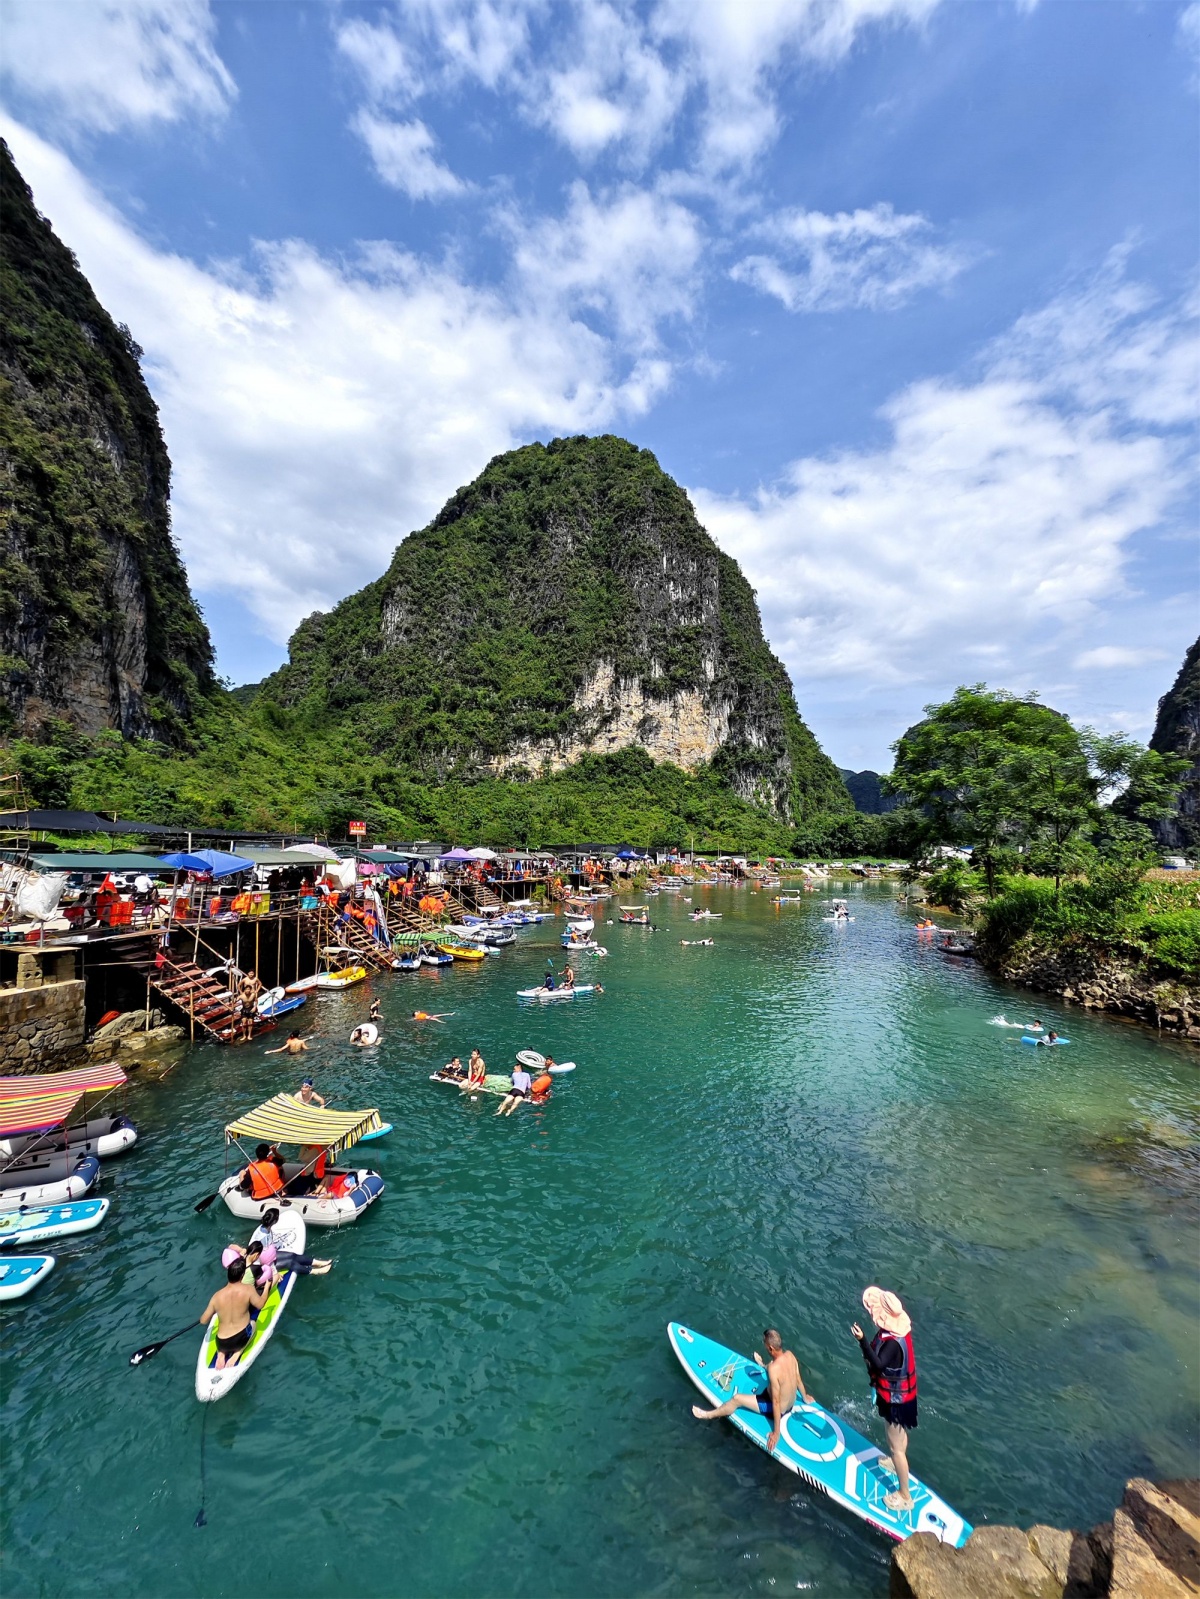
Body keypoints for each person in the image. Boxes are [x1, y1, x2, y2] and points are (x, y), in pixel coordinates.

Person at [691, 1328, 812, 1453]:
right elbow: (798, 1380)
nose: (764, 1347)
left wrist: (776, 1433)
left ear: (770, 1348)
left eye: (765, 1344)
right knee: (772, 1368)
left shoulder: (774, 1369)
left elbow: (775, 1402)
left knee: (736, 1399)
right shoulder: (790, 1355)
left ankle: (707, 1415)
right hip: (790, 1405)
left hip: (776, 1409)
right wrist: (805, 1397)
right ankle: (761, 1364)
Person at [852, 1286, 918, 1512]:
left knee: (895, 1446)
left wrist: (861, 1340)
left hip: (896, 1401)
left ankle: (905, 1495)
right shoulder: (898, 1334)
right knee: (899, 1440)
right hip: (904, 1396)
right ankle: (896, 1461)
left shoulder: (891, 1343)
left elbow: (879, 1365)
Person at [198, 1257, 269, 1369]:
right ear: (242, 1276)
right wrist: (267, 1287)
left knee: (222, 1337)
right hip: (240, 1339)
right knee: (253, 1324)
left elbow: (203, 1321)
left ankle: (221, 1354)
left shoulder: (216, 1296)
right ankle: (237, 1353)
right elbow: (260, 1305)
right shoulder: (248, 1289)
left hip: (221, 1343)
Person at [247, 1208, 333, 1275]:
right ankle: (314, 1271)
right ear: (275, 1221)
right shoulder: (263, 1237)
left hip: (270, 1255)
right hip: (262, 1263)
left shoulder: (266, 1228)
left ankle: (317, 1263)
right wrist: (274, 1273)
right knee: (290, 1263)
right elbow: (263, 1258)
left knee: (292, 1255)